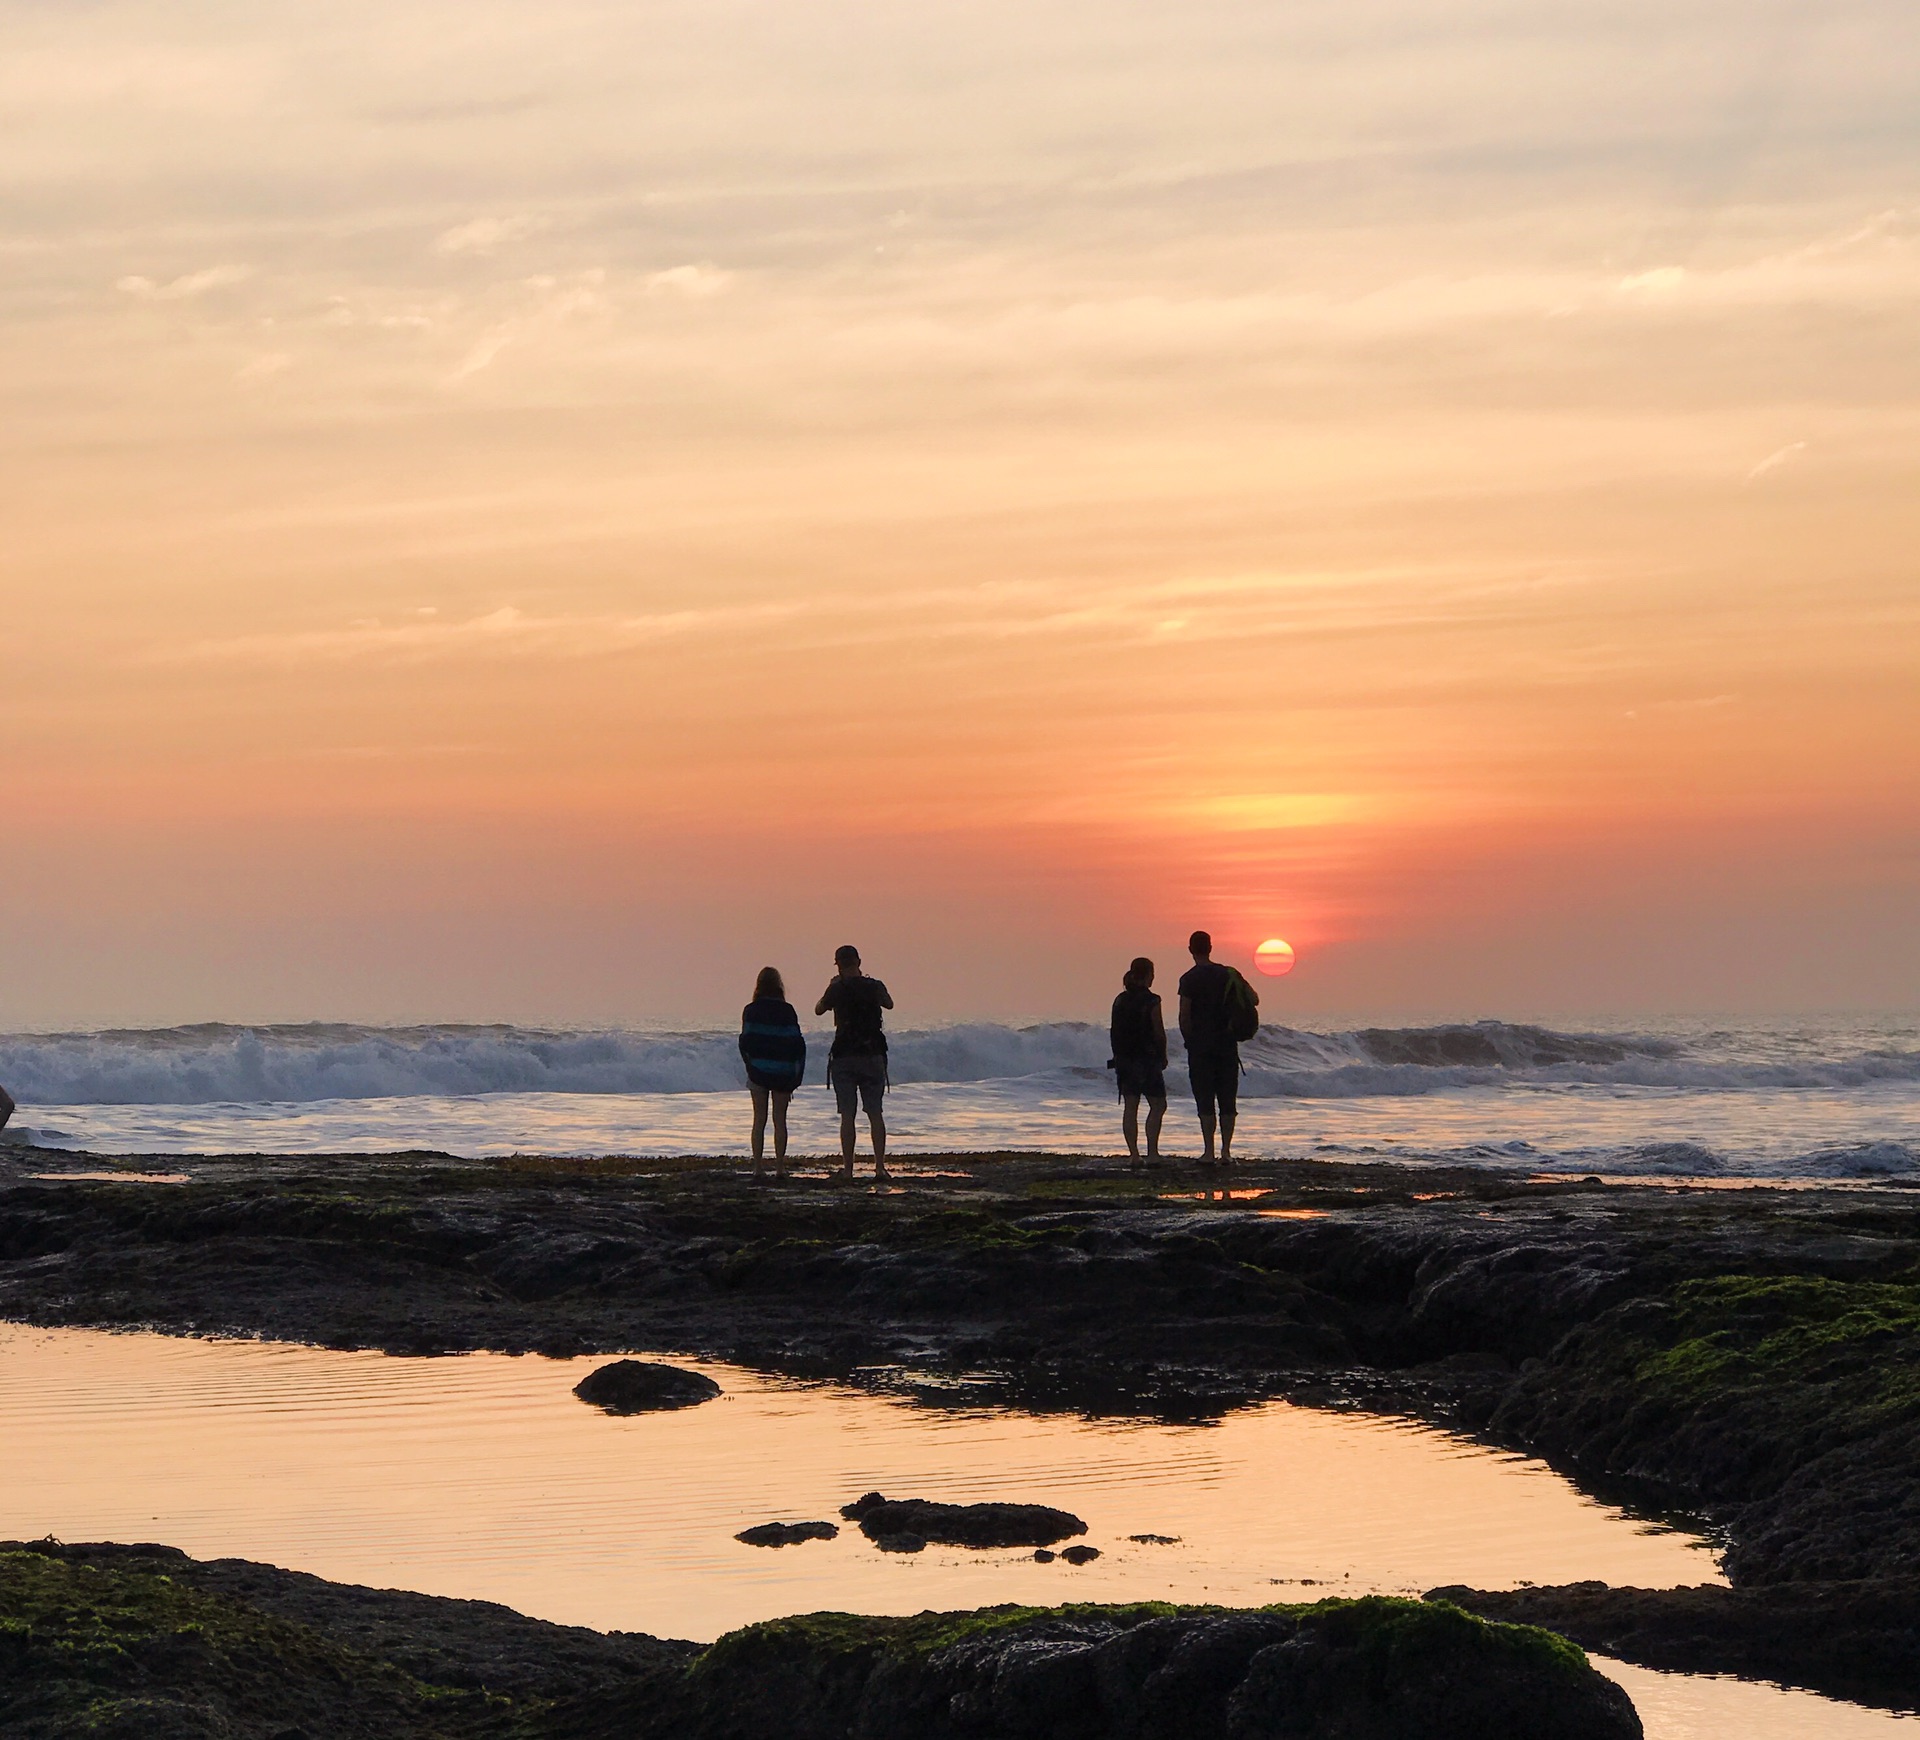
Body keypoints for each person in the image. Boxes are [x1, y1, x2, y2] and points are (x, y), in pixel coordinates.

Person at [815, 944, 893, 1181]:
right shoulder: (874, 986)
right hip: (872, 1054)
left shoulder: (837, 989)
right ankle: (879, 1167)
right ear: (859, 962)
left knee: (847, 1115)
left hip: (845, 1056)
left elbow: (819, 1009)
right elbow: (889, 1004)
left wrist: (832, 987)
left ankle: (848, 1169)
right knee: (875, 1113)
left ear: (838, 964)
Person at [1178, 929, 1256, 1163]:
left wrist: (1189, 1040)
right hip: (1227, 1045)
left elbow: (1184, 1015)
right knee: (1227, 1099)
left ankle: (1208, 1152)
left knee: (1205, 1098)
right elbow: (1254, 998)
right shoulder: (1228, 973)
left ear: (1190, 949)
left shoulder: (1188, 978)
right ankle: (1226, 1152)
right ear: (1211, 948)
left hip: (1201, 1047)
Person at [739, 967, 805, 1177]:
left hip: (758, 1070)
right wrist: (796, 1073)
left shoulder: (751, 1010)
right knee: (780, 1120)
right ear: (779, 986)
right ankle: (779, 1167)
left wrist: (750, 1064)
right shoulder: (787, 1010)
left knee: (759, 1120)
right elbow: (796, 1043)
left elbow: (745, 1041)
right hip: (783, 1072)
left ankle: (758, 1167)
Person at [1108, 957, 1168, 1165]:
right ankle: (1152, 1153)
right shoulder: (1152, 1000)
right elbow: (1158, 1031)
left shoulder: (1119, 1000)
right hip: (1147, 1058)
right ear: (1148, 975)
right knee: (1158, 1104)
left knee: (1130, 1106)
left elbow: (1114, 1031)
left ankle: (1134, 1155)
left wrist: (1117, 1056)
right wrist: (1163, 1055)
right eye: (1152, 973)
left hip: (1124, 1059)